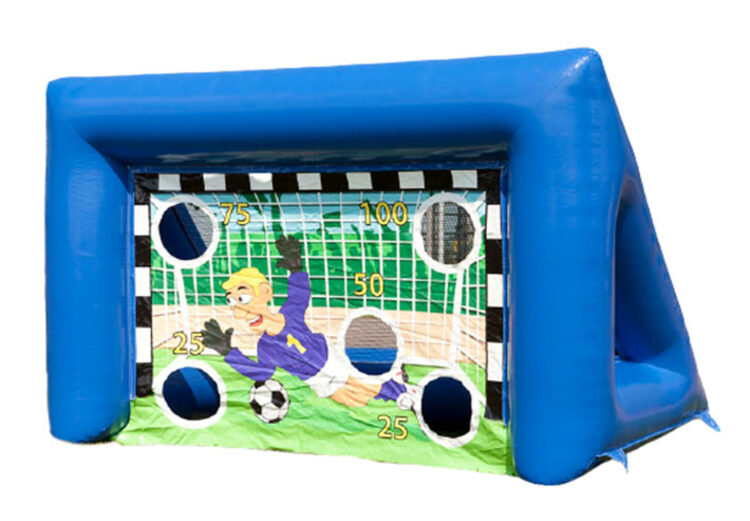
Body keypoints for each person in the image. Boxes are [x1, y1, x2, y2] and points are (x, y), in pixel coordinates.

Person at [201, 235, 416, 409]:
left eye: (242, 298)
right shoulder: (265, 346)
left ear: (265, 292)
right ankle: (393, 385)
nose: (240, 310)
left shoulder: (288, 316)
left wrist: (296, 268)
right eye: (231, 302)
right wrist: (228, 352)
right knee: (355, 402)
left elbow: (299, 296)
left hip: (329, 359)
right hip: (315, 379)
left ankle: (400, 390)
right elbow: (263, 372)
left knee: (360, 381)